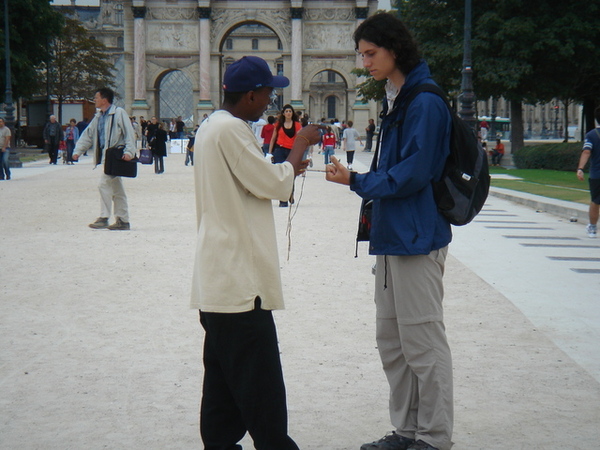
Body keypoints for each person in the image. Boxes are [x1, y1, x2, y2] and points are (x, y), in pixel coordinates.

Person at [326, 13, 453, 450]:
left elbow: (415, 173)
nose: (364, 63)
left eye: (371, 53)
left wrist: (357, 181)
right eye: (361, 55)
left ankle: (433, 438)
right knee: (393, 343)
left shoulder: (425, 102)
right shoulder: (398, 98)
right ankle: (407, 430)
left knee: (422, 340)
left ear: (394, 49)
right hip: (393, 235)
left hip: (417, 238)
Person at [191, 55, 321, 450]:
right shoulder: (232, 130)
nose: (270, 99)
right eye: (267, 92)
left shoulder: (211, 126)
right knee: (262, 390)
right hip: (240, 284)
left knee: (222, 389)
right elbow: (272, 181)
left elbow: (256, 180)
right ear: (249, 95)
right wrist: (300, 141)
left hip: (218, 280)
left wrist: (288, 165)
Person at [72, 87, 137, 231]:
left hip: (115, 156)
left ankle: (104, 217)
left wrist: (129, 152)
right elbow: (88, 135)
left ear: (104, 99)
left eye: (96, 97)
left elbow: (129, 134)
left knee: (103, 184)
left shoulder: (119, 113)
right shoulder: (98, 116)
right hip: (107, 158)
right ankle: (123, 220)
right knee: (117, 190)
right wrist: (78, 151)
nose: (94, 100)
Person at [269, 104, 302, 207]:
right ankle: (282, 200)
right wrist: (270, 153)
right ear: (283, 113)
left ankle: (290, 193)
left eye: (290, 111)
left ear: (292, 113)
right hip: (279, 150)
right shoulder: (278, 124)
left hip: (292, 151)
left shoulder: (297, 125)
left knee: (290, 174)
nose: (288, 113)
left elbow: (300, 139)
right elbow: (273, 138)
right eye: (286, 111)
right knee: (281, 176)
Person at [576, 106, 600, 238]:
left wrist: (580, 168)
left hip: (597, 174)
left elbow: (586, 151)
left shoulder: (591, 135)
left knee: (596, 201)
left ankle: (592, 228)